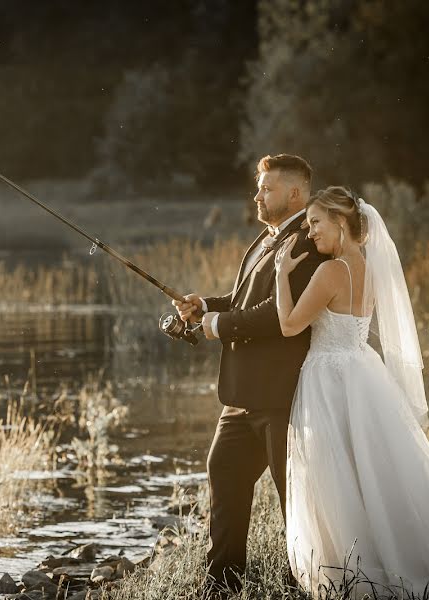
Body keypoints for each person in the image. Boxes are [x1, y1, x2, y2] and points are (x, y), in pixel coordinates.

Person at [274, 186, 429, 597]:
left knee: (338, 476)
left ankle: (355, 565)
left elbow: (289, 325)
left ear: (340, 222)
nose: (310, 233)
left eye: (316, 222)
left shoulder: (330, 271)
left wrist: (281, 274)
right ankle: (398, 554)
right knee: (378, 474)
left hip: (327, 378)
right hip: (363, 373)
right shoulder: (372, 269)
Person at [173, 154, 328, 592]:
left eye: (267, 188)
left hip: (283, 395)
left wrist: (219, 326)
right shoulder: (265, 238)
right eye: (258, 187)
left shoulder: (309, 239)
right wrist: (206, 306)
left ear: (295, 193)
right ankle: (221, 583)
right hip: (240, 395)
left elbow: (280, 315)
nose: (257, 195)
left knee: (292, 499)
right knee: (224, 476)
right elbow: (245, 299)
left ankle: (305, 582)